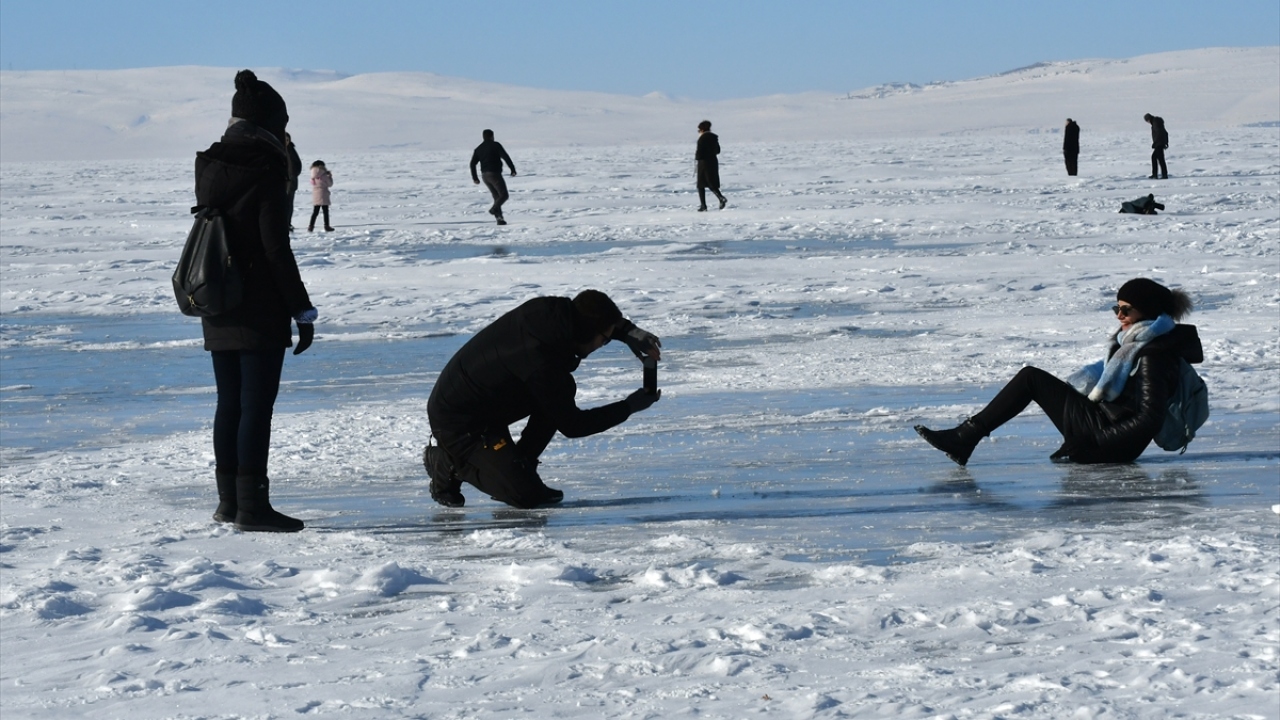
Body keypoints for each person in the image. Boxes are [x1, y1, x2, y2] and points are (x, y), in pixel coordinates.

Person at [195, 70, 318, 532]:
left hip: (216, 293)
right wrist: (301, 309)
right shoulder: (265, 167)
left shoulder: (211, 164)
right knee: (256, 406)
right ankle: (253, 507)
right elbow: (274, 248)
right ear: (270, 122)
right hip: (259, 301)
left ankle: (229, 502)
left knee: (230, 402)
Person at [915, 278, 1202, 466]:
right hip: (1106, 427)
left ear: (1147, 312)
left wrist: (1091, 441)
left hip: (1112, 442)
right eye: (1116, 308)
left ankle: (963, 438)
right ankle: (964, 439)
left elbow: (1149, 420)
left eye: (1126, 310)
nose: (1119, 315)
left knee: (1031, 378)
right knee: (1032, 378)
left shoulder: (1153, 355)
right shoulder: (1135, 343)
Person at [424, 290, 662, 509]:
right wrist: (628, 407)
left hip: (485, 402)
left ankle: (522, 464)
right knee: (526, 495)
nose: (602, 345)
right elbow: (573, 425)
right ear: (588, 332)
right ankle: (448, 463)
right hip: (459, 423)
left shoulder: (554, 313)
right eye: (604, 340)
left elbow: (592, 317)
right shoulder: (541, 361)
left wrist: (629, 332)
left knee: (561, 389)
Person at [469, 129, 517, 225]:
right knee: (504, 195)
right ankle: (494, 209)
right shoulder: (496, 145)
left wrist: (475, 177)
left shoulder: (479, 148)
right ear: (492, 136)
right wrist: (512, 169)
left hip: (485, 176)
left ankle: (499, 219)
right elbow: (505, 157)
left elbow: (472, 164)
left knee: (497, 197)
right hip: (494, 174)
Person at [695, 120, 727, 211]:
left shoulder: (702, 138)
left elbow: (699, 153)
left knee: (701, 184)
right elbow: (718, 150)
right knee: (711, 182)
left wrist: (698, 157)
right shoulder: (714, 137)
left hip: (704, 163)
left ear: (702, 129)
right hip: (713, 161)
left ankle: (704, 205)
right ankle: (720, 198)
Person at [308, 160, 334, 231]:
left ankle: (311, 226)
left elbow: (312, 184)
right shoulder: (324, 175)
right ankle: (327, 226)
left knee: (315, 211)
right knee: (325, 211)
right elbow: (330, 184)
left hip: (316, 194)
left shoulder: (313, 175)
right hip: (323, 193)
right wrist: (330, 177)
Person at [1144, 113, 1169, 179]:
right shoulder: (1157, 122)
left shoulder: (1156, 123)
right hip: (1160, 143)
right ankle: (1161, 174)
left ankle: (1159, 175)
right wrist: (1166, 142)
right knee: (1158, 158)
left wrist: (1156, 143)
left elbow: (1159, 133)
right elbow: (1165, 133)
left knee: (1157, 158)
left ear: (1148, 119)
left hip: (1159, 143)